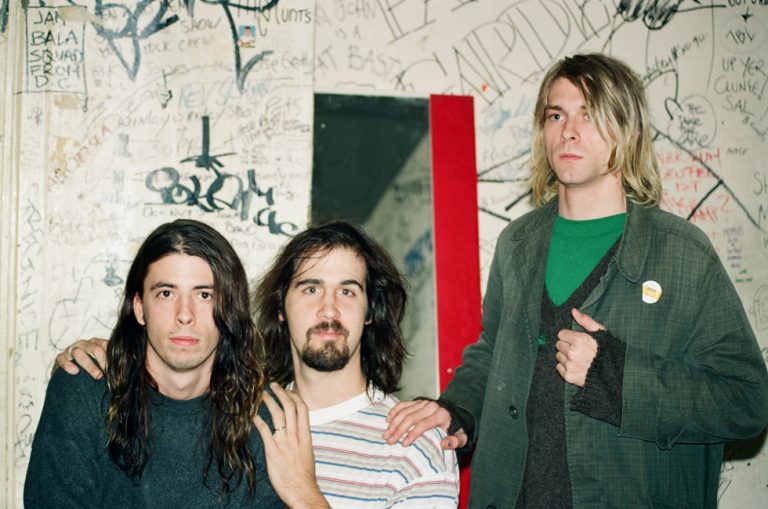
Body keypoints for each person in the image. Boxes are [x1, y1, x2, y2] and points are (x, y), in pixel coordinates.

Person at [384, 53, 768, 508]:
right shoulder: (517, 244)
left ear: (628, 131)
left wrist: (615, 375)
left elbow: (746, 401)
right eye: (556, 115)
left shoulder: (681, 252)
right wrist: (457, 409)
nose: (568, 130)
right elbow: (492, 354)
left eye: (589, 114)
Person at [54, 220, 459, 508]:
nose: (329, 309)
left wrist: (304, 494)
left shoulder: (417, 441)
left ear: (371, 311)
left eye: (348, 291)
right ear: (280, 308)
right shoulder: (243, 418)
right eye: (311, 288)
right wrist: (112, 355)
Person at [26, 219, 289, 508]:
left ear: (228, 310)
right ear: (140, 308)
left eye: (204, 295)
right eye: (166, 293)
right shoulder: (84, 389)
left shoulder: (265, 415)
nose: (185, 314)